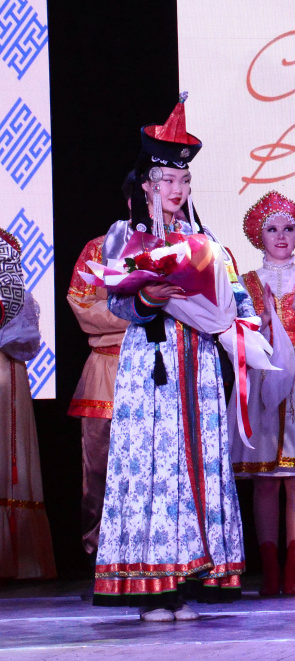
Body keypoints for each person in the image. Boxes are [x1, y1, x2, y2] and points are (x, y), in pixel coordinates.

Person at [93, 94, 257, 620]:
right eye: (167, 180)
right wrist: (147, 297)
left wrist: (241, 324)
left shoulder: (205, 240)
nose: (177, 190)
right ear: (146, 185)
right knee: (155, 464)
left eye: (183, 181)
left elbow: (235, 295)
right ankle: (152, 588)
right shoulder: (126, 236)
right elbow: (118, 301)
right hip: (153, 364)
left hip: (201, 364)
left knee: (197, 463)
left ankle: (188, 580)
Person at [229, 191, 295, 597]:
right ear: (259, 235)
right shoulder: (245, 282)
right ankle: (269, 571)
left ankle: (293, 572)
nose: (281, 236)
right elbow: (232, 336)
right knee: (265, 481)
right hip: (262, 376)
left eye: (288, 228)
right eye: (272, 229)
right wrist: (262, 324)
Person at [65, 174, 133, 566]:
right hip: (105, 370)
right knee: (99, 469)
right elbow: (82, 306)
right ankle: (99, 555)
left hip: (159, 368)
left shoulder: (178, 248)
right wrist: (138, 315)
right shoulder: (98, 248)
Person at [0, 229, 56, 580]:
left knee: (9, 453)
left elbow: (24, 341)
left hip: (5, 370)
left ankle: (17, 557)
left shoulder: (15, 291)